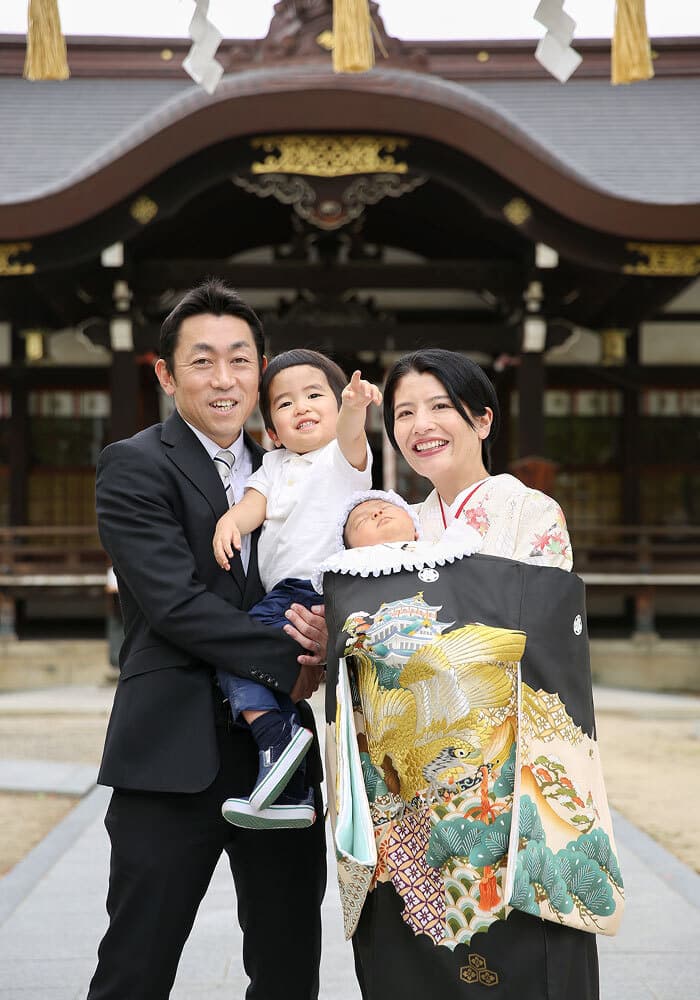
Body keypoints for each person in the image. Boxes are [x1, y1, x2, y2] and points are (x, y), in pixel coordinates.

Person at [88, 280, 328, 1000]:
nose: (224, 380)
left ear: (261, 371)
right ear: (166, 374)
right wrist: (297, 657)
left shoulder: (294, 471)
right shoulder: (134, 464)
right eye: (202, 361)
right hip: (170, 755)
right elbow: (175, 606)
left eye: (240, 360)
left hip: (280, 761)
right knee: (137, 966)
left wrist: (333, 633)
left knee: (289, 970)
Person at [341, 348, 598, 998]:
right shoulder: (396, 526)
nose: (419, 424)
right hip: (404, 792)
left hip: (504, 783)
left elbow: (541, 642)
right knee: (412, 966)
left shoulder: (530, 514)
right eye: (403, 412)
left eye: (438, 406)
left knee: (516, 967)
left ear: (482, 420)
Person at [211, 353, 381, 828]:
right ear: (274, 431)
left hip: (314, 587)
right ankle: (298, 790)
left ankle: (273, 735)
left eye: (314, 395)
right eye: (285, 403)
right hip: (283, 594)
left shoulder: (343, 461)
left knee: (236, 652)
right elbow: (253, 505)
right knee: (265, 672)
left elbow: (350, 431)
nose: (301, 407)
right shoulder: (272, 466)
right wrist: (231, 523)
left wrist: (352, 407)